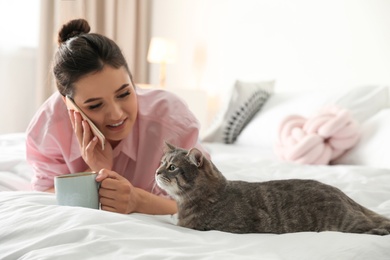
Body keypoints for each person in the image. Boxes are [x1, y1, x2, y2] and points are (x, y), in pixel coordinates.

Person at [26, 18, 209, 215]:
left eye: (124, 94)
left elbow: (205, 202)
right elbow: (43, 195)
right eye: (95, 105)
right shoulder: (49, 128)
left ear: (132, 81)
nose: (116, 114)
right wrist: (94, 172)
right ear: (68, 104)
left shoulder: (172, 120)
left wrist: (138, 201)